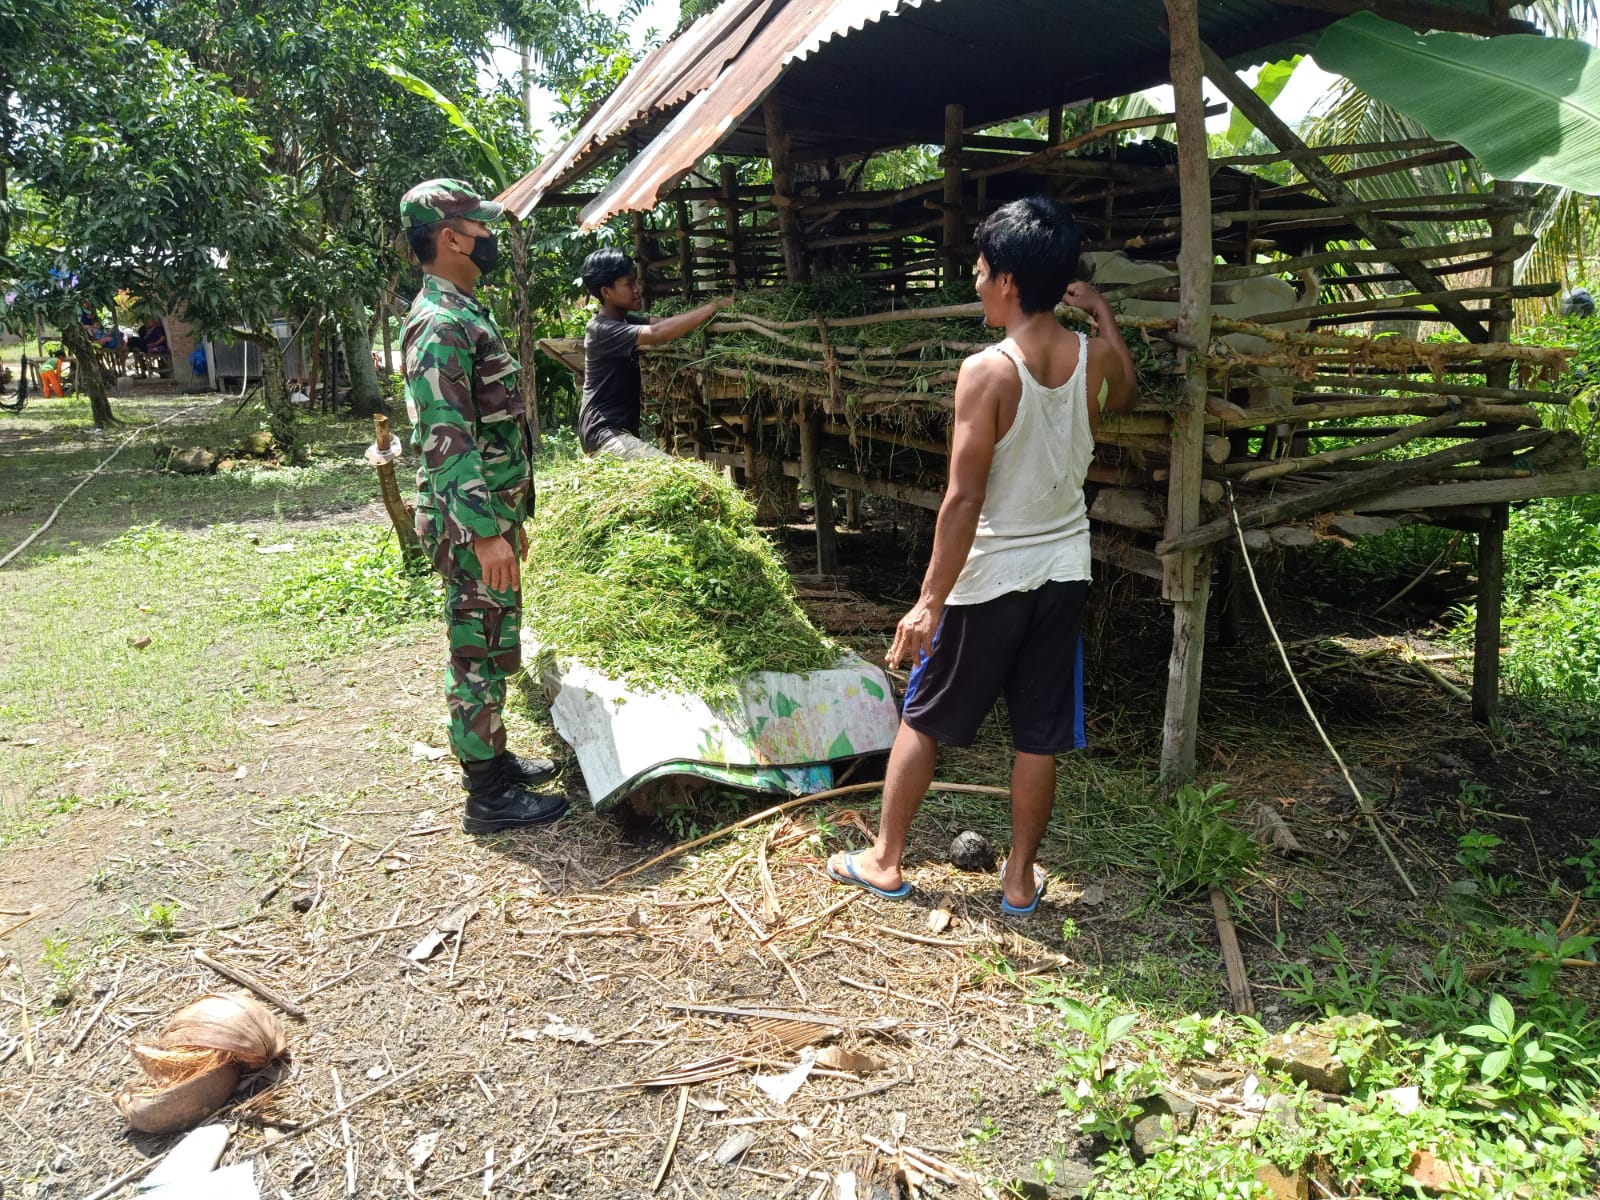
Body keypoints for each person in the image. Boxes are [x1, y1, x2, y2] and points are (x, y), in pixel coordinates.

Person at [825, 195, 1136, 916]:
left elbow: (963, 498)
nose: (975, 280)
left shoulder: (988, 371)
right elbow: (1126, 390)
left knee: (923, 717)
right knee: (1038, 736)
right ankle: (1019, 881)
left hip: (991, 575)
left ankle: (884, 860)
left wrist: (928, 601)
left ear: (1008, 281)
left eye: (980, 268)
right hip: (1064, 571)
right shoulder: (1091, 357)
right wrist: (1103, 316)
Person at [399, 177, 567, 834]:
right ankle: (488, 798)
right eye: (480, 227)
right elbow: (448, 439)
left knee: (493, 643)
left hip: (491, 514)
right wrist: (484, 534)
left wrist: (508, 520)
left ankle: (492, 759)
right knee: (476, 650)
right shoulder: (441, 323)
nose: (490, 238)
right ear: (451, 238)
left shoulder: (462, 310)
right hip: (473, 524)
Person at [577, 248, 734, 457]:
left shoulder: (625, 321)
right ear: (606, 292)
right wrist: (713, 307)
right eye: (629, 284)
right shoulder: (602, 329)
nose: (637, 289)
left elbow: (663, 323)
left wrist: (709, 314)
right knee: (676, 473)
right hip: (603, 433)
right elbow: (658, 332)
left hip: (616, 432)